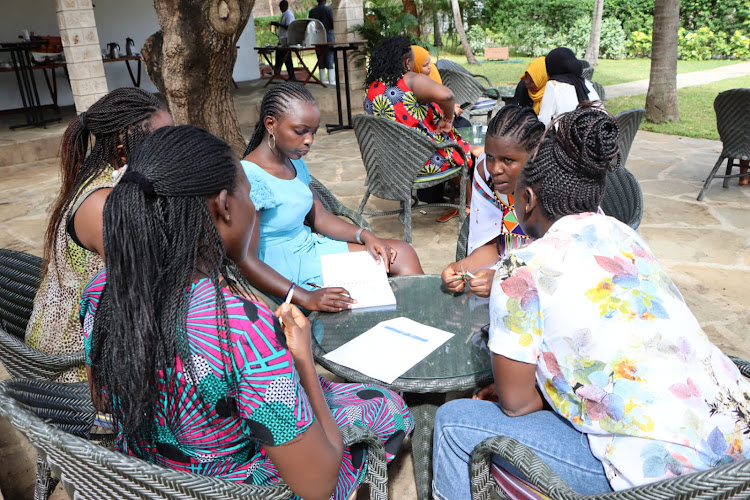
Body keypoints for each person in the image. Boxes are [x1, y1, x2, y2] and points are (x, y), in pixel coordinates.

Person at [81, 125, 414, 500]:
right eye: (250, 197)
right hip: (238, 486)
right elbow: (318, 485)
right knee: (389, 405)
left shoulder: (103, 291)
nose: (255, 209)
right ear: (224, 206)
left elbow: (103, 402)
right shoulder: (240, 328)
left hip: (154, 476)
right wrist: (302, 360)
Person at [432, 107, 750, 499]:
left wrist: (524, 388)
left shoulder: (521, 269)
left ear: (527, 199)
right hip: (736, 443)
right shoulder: (621, 233)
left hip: (664, 476)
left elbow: (517, 406)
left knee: (451, 421)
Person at [24, 87, 172, 382]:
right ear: (122, 151)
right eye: (162, 142)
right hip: (75, 357)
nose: (172, 149)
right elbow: (139, 292)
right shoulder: (105, 203)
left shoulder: (117, 179)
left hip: (95, 327)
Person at [239, 82, 423, 312]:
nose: (309, 140)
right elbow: (246, 259)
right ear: (270, 124)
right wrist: (306, 297)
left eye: (312, 132)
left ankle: (419, 321)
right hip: (283, 273)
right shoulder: (249, 177)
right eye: (300, 131)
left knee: (402, 254)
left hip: (312, 250)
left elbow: (321, 218)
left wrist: (364, 235)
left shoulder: (294, 161)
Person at [364, 36, 473, 221]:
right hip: (419, 163)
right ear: (407, 62)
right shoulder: (410, 80)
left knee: (451, 146)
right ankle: (470, 204)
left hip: (386, 165)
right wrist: (448, 118)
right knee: (459, 152)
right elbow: (447, 96)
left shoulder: (372, 89)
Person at [441, 105, 544, 298]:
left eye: (507, 160)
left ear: (534, 156)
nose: (495, 169)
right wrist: (460, 268)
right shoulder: (486, 176)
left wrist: (503, 278)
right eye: (489, 157)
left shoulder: (557, 187)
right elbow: (496, 244)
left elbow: (563, 263)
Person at [411, 45, 470, 129]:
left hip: (441, 114)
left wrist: (450, 108)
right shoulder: (415, 85)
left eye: (430, 62)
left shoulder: (431, 72)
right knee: (463, 126)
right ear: (414, 66)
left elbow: (440, 101)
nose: (430, 66)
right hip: (430, 122)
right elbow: (430, 108)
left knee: (464, 123)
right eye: (425, 65)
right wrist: (451, 113)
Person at [537, 47, 600, 126]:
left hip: (567, 136)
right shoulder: (584, 82)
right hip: (595, 133)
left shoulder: (553, 85)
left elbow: (544, 121)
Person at [309, 0, 335, 85]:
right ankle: (331, 80)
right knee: (329, 57)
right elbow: (333, 23)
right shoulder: (328, 10)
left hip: (317, 37)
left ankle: (322, 79)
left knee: (320, 58)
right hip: (328, 36)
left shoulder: (312, 11)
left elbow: (310, 25)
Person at [271, 0, 296, 81]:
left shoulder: (288, 15)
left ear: (285, 6)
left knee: (287, 59)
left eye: (281, 6)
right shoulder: (284, 15)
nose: (280, 8)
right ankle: (276, 72)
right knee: (279, 57)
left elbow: (289, 27)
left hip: (286, 40)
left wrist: (277, 24)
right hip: (282, 40)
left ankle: (291, 76)